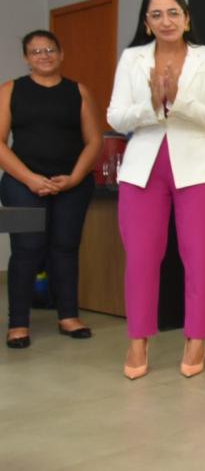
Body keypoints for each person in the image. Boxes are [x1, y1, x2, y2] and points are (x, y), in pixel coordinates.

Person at [107, 0, 205, 379]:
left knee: (199, 258)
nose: (166, 20)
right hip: (142, 169)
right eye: (156, 14)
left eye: (173, 12)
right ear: (146, 23)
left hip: (196, 167)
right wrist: (152, 103)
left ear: (186, 17)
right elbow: (116, 117)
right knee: (141, 258)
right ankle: (137, 339)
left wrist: (179, 98)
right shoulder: (132, 58)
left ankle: (196, 338)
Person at [0, 30, 101, 349]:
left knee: (65, 248)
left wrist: (73, 178)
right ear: (26, 57)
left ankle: (68, 316)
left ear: (61, 54)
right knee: (26, 249)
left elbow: (94, 140)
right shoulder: (10, 90)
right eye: (36, 51)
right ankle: (17, 323)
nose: (44, 55)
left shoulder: (78, 91)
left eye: (50, 50)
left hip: (72, 185)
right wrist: (29, 179)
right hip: (19, 185)